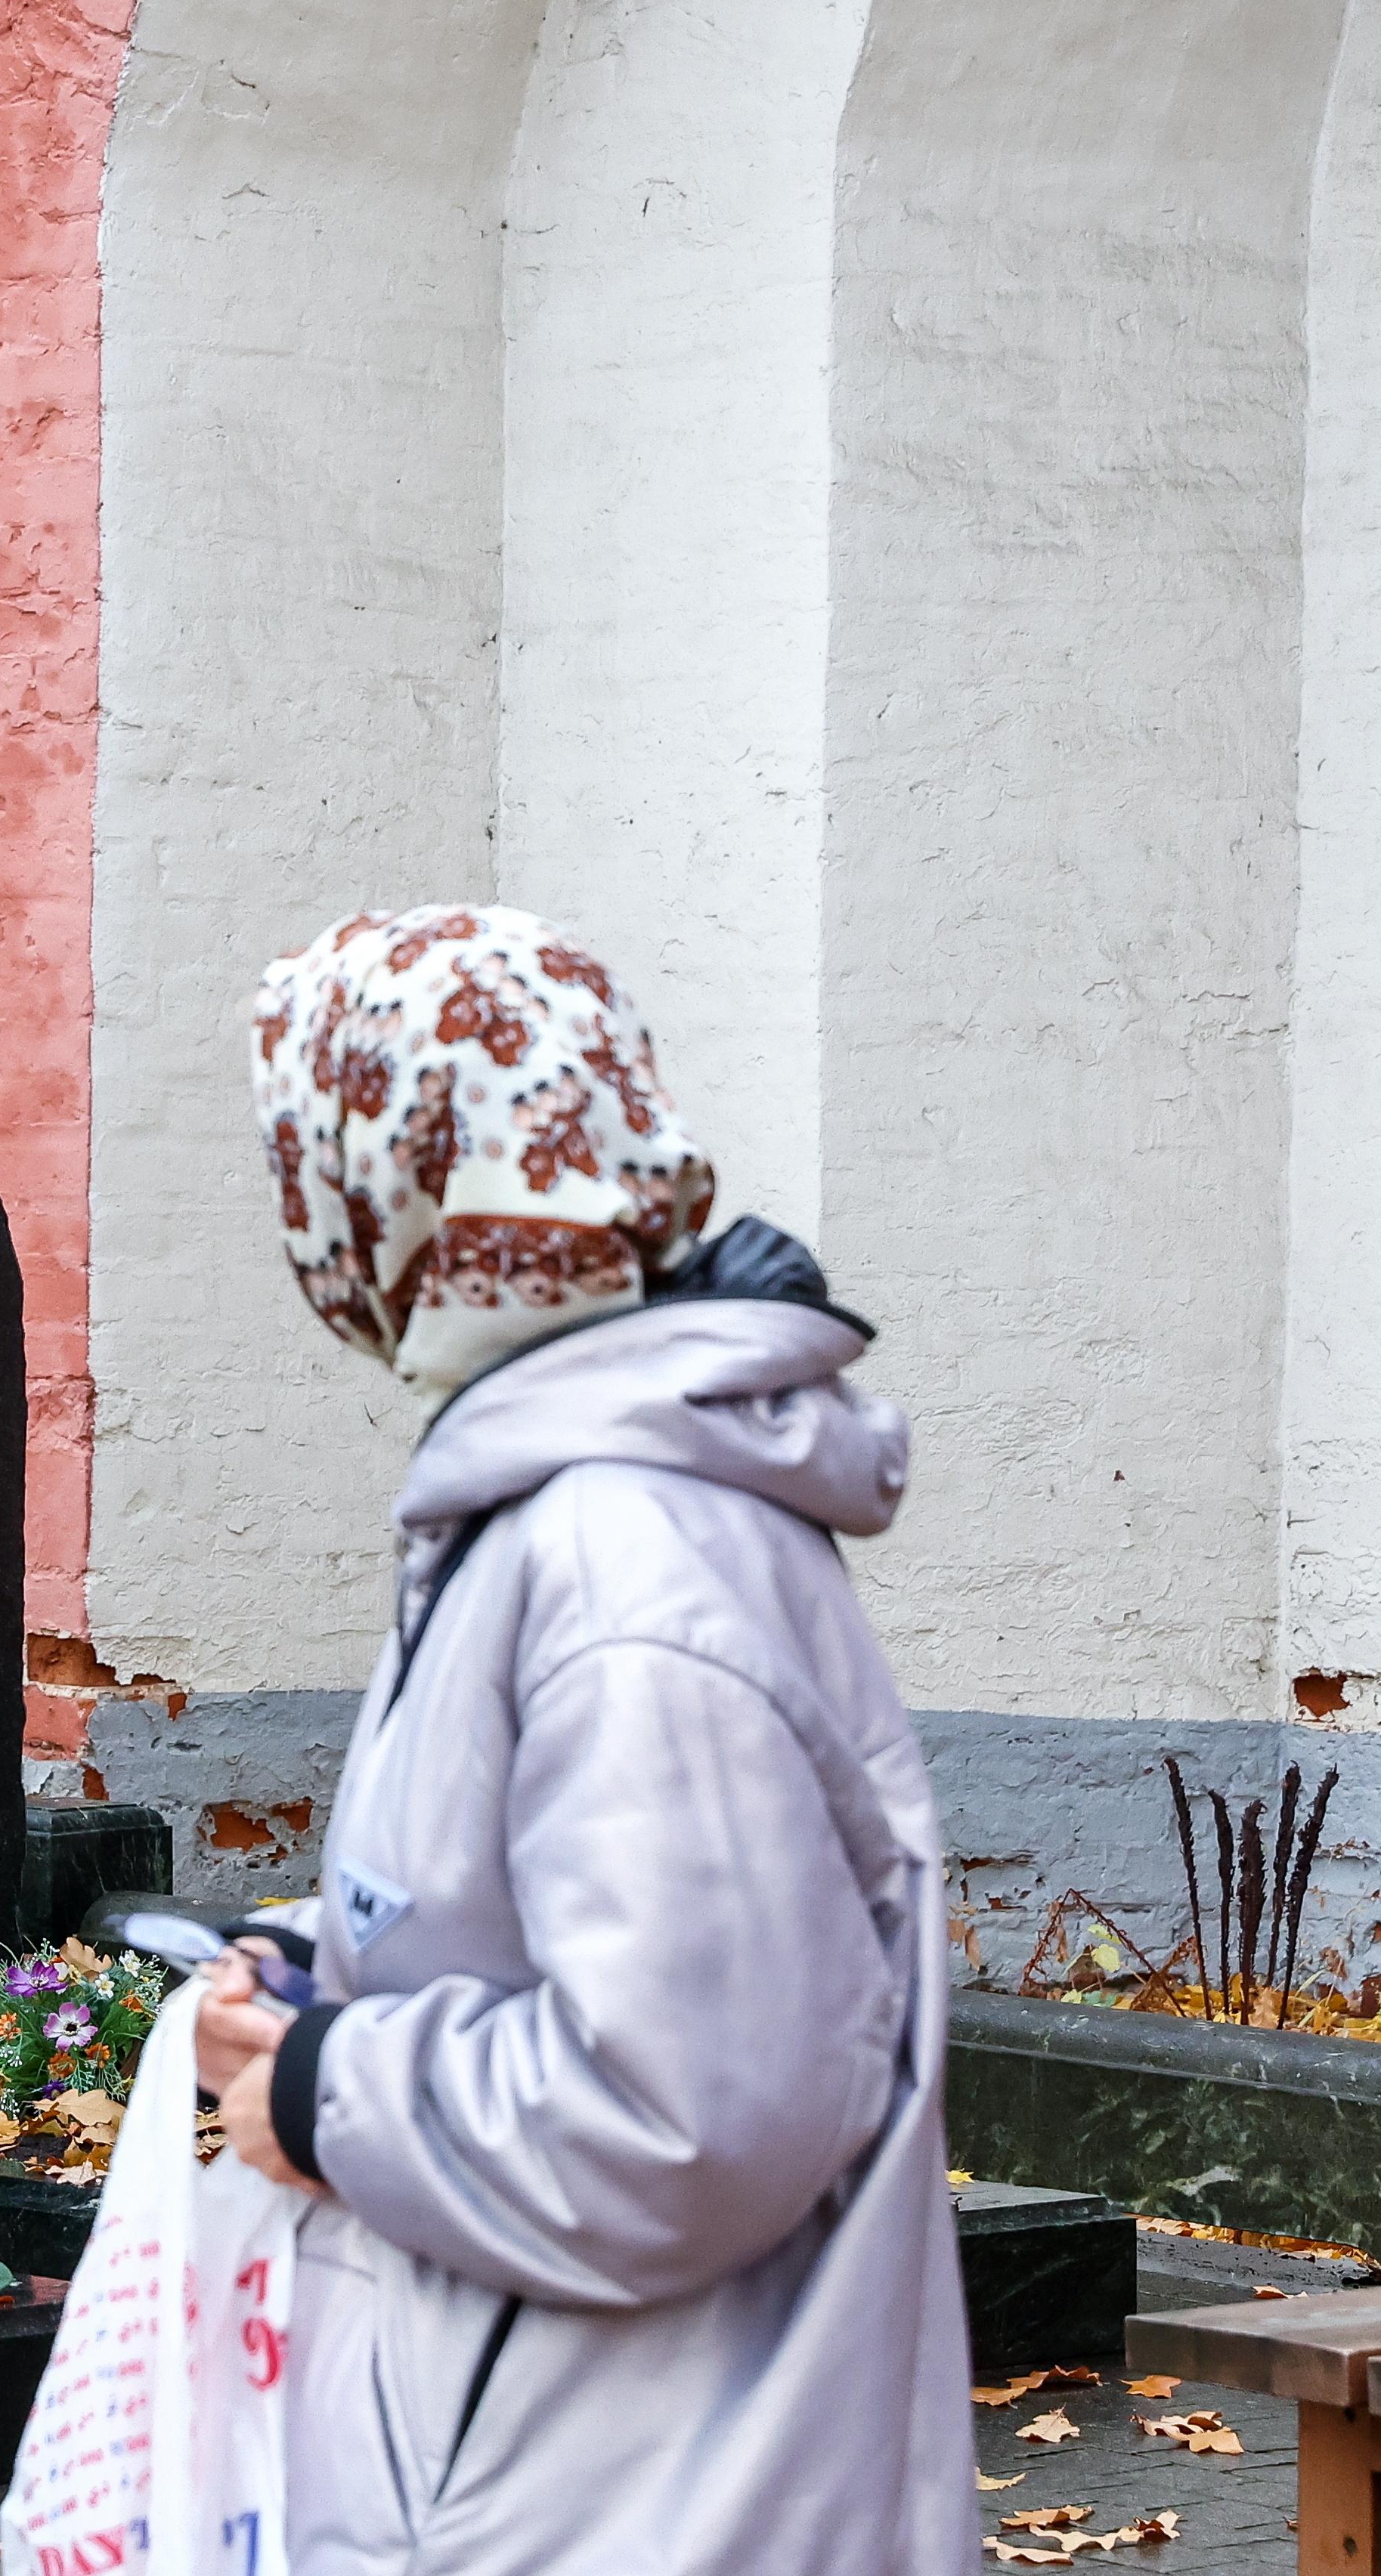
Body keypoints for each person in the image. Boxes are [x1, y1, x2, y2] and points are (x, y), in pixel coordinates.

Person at [200, 904, 968, 2573]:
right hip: (573, 2462)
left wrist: (331, 2093)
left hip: (650, 2497)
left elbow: (688, 2111)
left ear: (401, 1180)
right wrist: (311, 1967)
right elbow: (555, 1921)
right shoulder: (555, 1498)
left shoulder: (626, 1556)